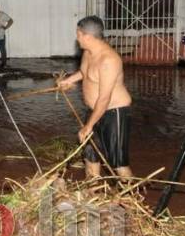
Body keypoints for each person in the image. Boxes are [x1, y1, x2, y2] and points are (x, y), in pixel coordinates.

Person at [57, 16, 133, 180]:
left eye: (78, 35)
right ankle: (93, 189)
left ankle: (131, 192)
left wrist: (88, 126)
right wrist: (68, 81)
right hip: (94, 110)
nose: (77, 39)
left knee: (118, 163)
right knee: (90, 155)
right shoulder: (88, 52)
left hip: (113, 112)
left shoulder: (109, 60)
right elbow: (85, 72)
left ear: (88, 37)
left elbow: (104, 98)